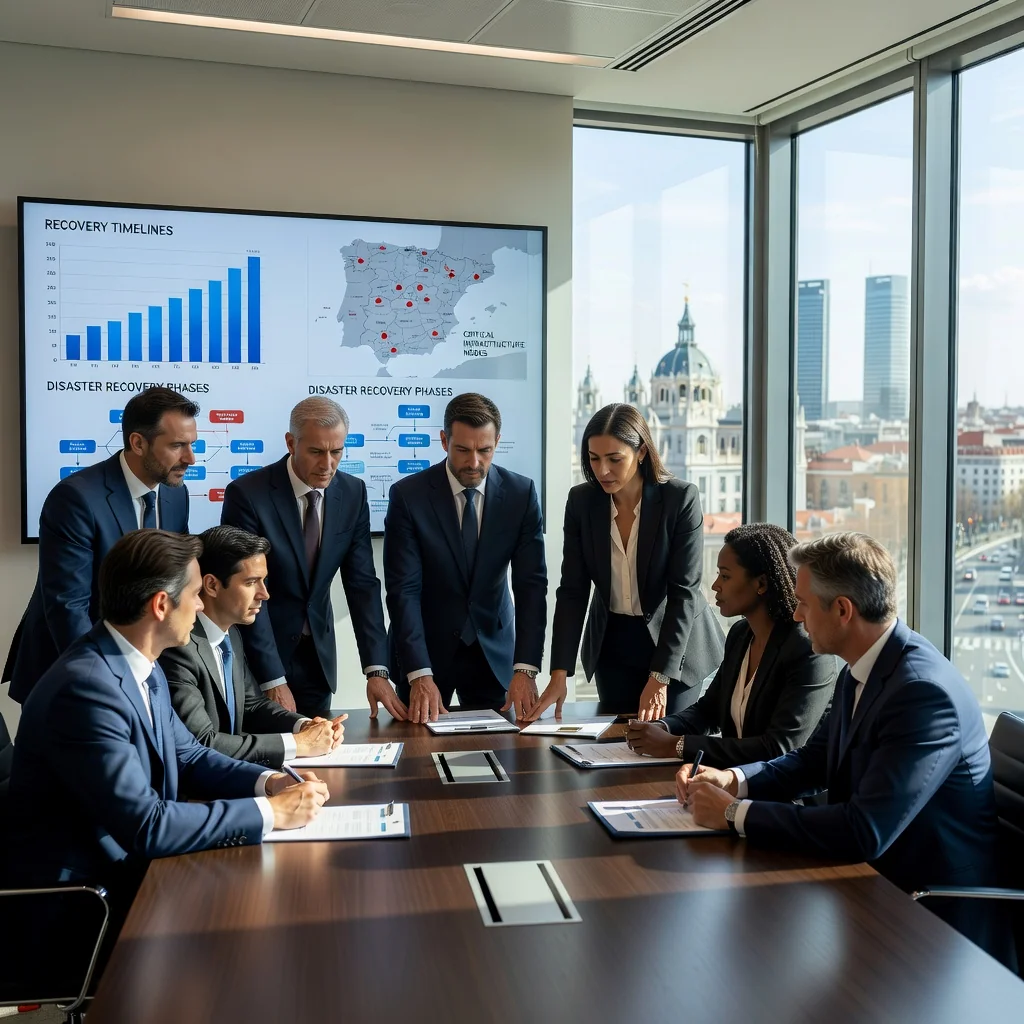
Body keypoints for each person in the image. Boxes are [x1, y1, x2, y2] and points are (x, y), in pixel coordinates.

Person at [678, 532, 1013, 964]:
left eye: (802, 603)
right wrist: (735, 780)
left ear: (841, 610)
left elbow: (863, 831)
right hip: (875, 887)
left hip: (934, 922)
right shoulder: (862, 667)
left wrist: (732, 814)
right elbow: (812, 760)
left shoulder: (923, 694)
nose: (796, 616)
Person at [5, 528, 328, 910]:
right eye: (194, 596)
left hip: (135, 874)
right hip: (84, 902)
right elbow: (147, 826)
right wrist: (270, 813)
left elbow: (189, 756)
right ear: (161, 605)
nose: (202, 607)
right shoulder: (86, 691)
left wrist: (269, 782)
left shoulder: (141, 663)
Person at [529, 403, 724, 722]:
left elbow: (683, 594)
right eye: (594, 459)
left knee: (667, 745)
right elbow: (573, 592)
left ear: (642, 452)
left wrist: (659, 678)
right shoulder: (581, 502)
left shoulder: (679, 499)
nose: (601, 470)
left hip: (675, 645)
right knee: (617, 746)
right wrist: (559, 674)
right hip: (612, 644)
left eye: (614, 459)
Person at [3, 386, 197, 703]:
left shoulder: (176, 494)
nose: (190, 458)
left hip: (142, 669)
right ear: (138, 442)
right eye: (177, 446)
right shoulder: (76, 498)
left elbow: (174, 583)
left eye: (191, 444)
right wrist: (108, 683)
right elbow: (68, 607)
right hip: (73, 675)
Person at [220, 397, 397, 720]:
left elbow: (362, 585)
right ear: (291, 443)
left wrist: (377, 670)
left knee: (320, 758)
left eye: (337, 452)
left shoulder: (353, 493)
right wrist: (272, 678)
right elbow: (245, 591)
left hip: (318, 660)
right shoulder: (248, 495)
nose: (328, 464)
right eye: (316, 451)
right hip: (261, 660)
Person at [384, 393, 547, 723]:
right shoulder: (408, 496)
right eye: (463, 450)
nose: (474, 462)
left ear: (497, 442)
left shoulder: (521, 494)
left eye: (484, 450)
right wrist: (418, 673)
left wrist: (526, 668)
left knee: (500, 760)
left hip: (493, 653)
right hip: (425, 653)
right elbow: (404, 591)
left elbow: (532, 587)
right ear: (444, 441)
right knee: (419, 759)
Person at [626, 523, 837, 765]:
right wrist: (659, 727)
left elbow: (779, 748)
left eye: (725, 576)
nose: (716, 585)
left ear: (761, 584)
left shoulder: (806, 649)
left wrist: (676, 745)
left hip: (782, 798)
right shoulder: (741, 634)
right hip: (728, 784)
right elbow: (708, 711)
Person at [160, 525, 348, 768]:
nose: (264, 594)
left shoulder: (233, 636)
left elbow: (252, 705)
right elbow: (203, 742)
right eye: (251, 582)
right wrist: (298, 744)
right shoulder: (179, 647)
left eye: (264, 581)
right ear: (212, 585)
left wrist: (305, 726)